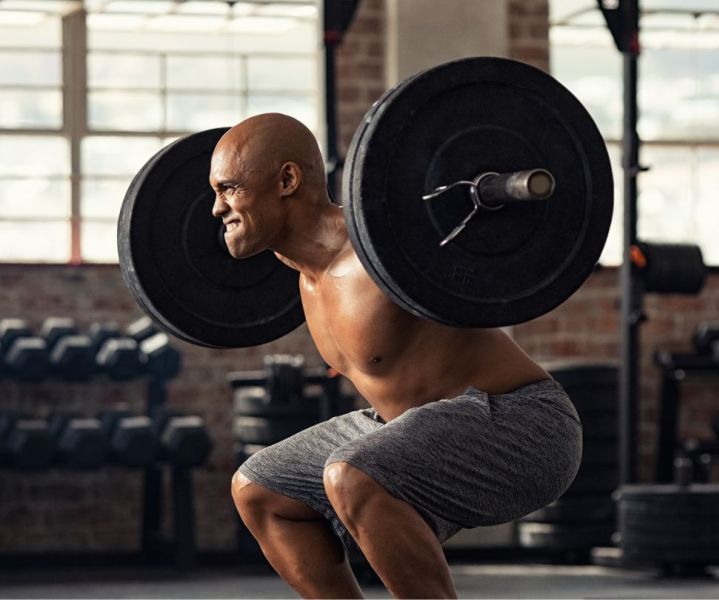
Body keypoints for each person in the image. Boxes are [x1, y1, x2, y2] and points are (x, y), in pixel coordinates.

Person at [213, 113, 582, 599]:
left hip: (523, 424)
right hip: (405, 425)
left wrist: (499, 195)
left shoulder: (385, 247)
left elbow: (465, 245)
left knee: (352, 475)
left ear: (286, 180)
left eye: (229, 189)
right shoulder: (305, 277)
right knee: (259, 490)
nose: (218, 209)